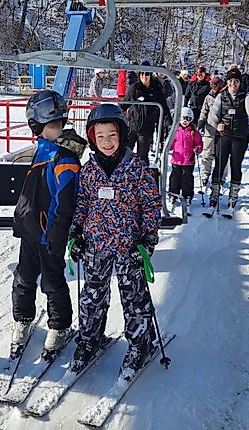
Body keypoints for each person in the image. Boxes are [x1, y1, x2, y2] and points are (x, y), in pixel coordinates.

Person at [67, 103, 162, 377]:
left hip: (128, 245)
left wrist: (148, 237)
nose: (107, 142)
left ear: (121, 134)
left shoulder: (136, 168)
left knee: (134, 297)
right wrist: (76, 233)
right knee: (92, 297)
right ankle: (89, 338)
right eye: (100, 136)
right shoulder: (88, 171)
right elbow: (82, 204)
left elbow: (150, 204)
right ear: (92, 139)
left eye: (112, 135)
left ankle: (140, 344)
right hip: (96, 244)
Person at [11, 90, 87, 358]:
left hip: (49, 234)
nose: (55, 130)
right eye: (50, 126)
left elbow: (65, 204)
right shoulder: (42, 150)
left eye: (58, 126)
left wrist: (58, 236)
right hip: (30, 230)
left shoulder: (64, 159)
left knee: (53, 282)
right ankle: (22, 319)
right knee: (24, 278)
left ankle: (60, 325)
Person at [207, 69, 249, 213]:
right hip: (224, 135)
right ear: (227, 83)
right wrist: (217, 124)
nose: (233, 84)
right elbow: (213, 114)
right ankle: (214, 193)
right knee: (219, 164)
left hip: (240, 136)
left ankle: (233, 196)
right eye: (231, 81)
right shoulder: (221, 96)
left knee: (235, 165)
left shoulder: (246, 96)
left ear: (239, 83)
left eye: (236, 81)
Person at [123, 64, 171, 163]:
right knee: (126, 154)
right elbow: (124, 104)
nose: (144, 77)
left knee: (142, 156)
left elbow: (164, 106)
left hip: (146, 128)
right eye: (142, 74)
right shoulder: (134, 89)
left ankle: (142, 175)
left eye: (147, 74)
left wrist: (167, 120)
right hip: (132, 126)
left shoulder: (155, 89)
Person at [168, 107, 203, 208]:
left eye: (188, 119)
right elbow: (172, 144)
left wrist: (197, 149)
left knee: (187, 179)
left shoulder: (193, 132)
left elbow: (199, 143)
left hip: (188, 160)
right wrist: (167, 146)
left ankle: (187, 195)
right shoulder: (175, 131)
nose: (185, 121)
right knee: (175, 178)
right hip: (176, 159)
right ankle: (173, 194)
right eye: (183, 118)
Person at [197, 75, 223, 187]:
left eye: (216, 84)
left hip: (222, 130)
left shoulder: (224, 97)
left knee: (222, 155)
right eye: (212, 84)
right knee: (207, 153)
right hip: (210, 128)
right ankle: (204, 174)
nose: (214, 86)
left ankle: (221, 176)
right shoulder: (208, 97)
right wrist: (201, 121)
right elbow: (204, 110)